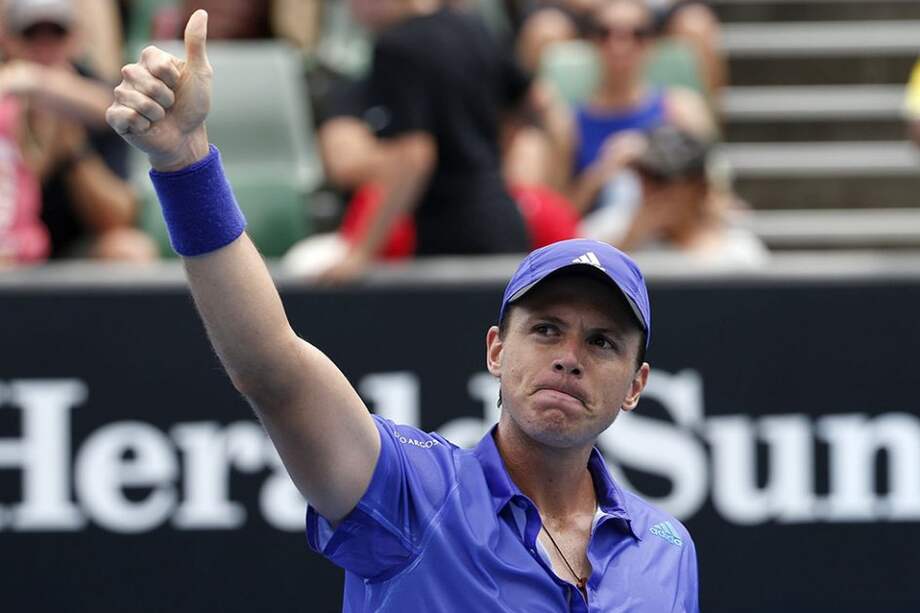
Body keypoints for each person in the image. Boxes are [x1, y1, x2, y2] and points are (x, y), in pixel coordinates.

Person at [106, 10, 699, 611]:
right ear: (496, 349)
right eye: (546, 330)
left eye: (602, 342)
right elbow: (268, 367)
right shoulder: (411, 492)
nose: (569, 358)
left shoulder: (668, 548)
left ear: (636, 385)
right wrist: (184, 165)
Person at [0, 0, 156, 261]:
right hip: (10, 241)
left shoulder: (108, 100)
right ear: (8, 40)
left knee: (129, 249)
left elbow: (119, 216)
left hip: (75, 247)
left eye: (56, 34)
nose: (44, 48)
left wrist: (73, 150)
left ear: (75, 39)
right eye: (31, 35)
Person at [562, 0, 715, 215]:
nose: (619, 45)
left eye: (637, 34)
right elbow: (560, 217)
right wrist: (601, 174)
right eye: (605, 33)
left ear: (652, 42)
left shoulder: (683, 108)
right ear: (591, 40)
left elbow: (711, 198)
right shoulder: (567, 122)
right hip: (599, 242)